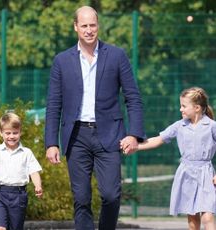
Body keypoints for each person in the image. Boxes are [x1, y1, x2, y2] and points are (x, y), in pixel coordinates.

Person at [45, 5, 146, 230]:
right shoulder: (61, 61)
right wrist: (51, 142)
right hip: (76, 136)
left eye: (93, 25)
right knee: (81, 199)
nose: (89, 30)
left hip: (109, 135)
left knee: (111, 195)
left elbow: (133, 98)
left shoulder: (117, 56)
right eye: (84, 25)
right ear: (75, 27)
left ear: (98, 25)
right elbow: (53, 104)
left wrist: (133, 134)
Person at [121, 86, 216, 230]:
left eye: (184, 106)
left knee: (208, 216)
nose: (180, 109)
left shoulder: (211, 126)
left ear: (197, 107)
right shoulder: (179, 126)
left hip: (206, 175)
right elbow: (158, 140)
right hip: (186, 174)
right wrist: (136, 147)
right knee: (192, 218)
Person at [0, 112, 43, 230]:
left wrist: (38, 185)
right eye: (8, 133)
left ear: (20, 132)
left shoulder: (26, 153)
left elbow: (34, 171)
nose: (11, 136)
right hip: (0, 194)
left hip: (19, 196)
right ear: (1, 133)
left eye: (15, 133)